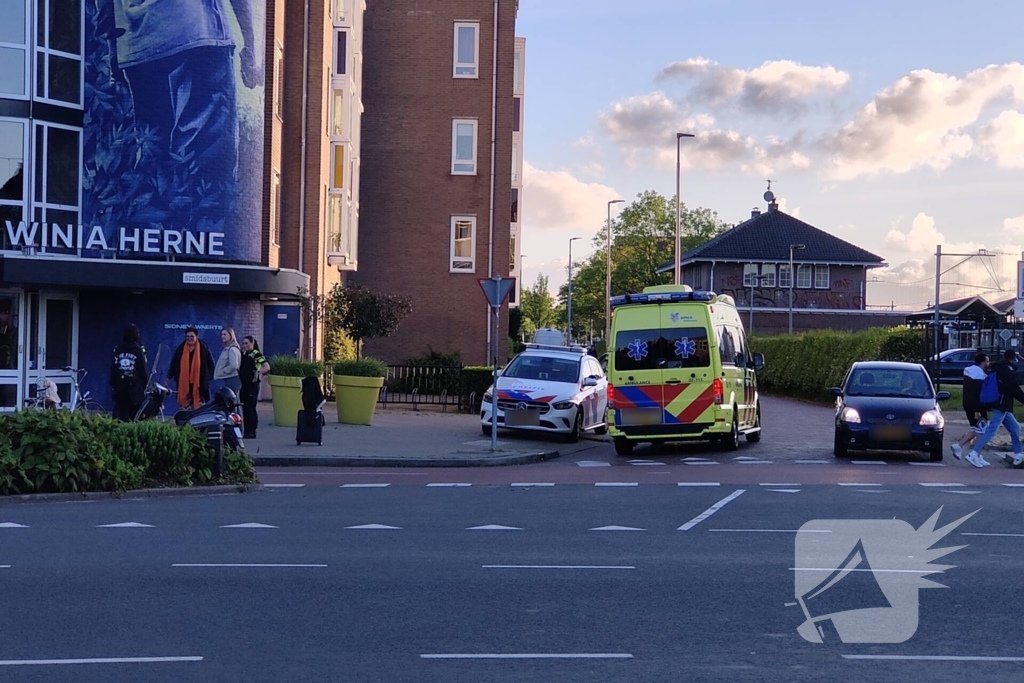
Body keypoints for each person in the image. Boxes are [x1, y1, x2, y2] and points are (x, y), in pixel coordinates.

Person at [965, 349, 1024, 468]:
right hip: (1001, 404)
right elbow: (1013, 388)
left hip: (999, 403)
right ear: (1013, 358)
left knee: (1015, 426)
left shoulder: (998, 368)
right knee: (991, 430)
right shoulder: (1007, 370)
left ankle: (1018, 454)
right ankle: (974, 453)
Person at [951, 352, 989, 461]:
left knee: (975, 429)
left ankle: (959, 446)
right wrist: (978, 410)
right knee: (982, 430)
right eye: (987, 361)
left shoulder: (969, 372)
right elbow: (979, 393)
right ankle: (975, 455)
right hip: (977, 406)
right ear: (982, 362)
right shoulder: (979, 375)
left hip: (967, 403)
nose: (988, 363)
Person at [167, 326, 215, 409]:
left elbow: (211, 364)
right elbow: (174, 363)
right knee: (185, 407)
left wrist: (208, 378)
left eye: (191, 336)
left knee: (199, 408)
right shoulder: (181, 348)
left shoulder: (203, 347)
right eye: (187, 336)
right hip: (185, 383)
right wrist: (168, 377)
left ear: (196, 336)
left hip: (200, 384)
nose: (189, 338)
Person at [110, 324, 149, 421]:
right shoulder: (138, 350)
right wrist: (146, 385)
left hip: (120, 387)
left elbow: (113, 369)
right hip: (135, 389)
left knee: (119, 416)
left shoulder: (118, 349)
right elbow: (142, 369)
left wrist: (113, 384)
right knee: (135, 416)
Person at [239, 335, 269, 439]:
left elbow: (266, 367)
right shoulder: (243, 353)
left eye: (247, 343)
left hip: (252, 385)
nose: (245, 345)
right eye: (243, 343)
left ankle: (252, 431)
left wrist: (258, 372)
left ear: (252, 343)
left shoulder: (256, 354)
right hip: (244, 385)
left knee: (251, 408)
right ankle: (246, 430)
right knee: (245, 408)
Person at [213, 327, 242, 395]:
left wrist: (224, 371)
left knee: (232, 402)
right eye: (222, 334)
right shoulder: (228, 348)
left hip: (232, 379)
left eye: (225, 334)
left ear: (230, 336)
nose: (222, 336)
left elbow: (234, 365)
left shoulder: (232, 349)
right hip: (229, 379)